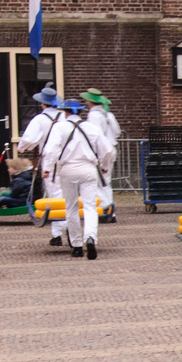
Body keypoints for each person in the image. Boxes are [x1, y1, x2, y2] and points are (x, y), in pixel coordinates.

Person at [43, 98, 116, 259]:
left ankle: (76, 245)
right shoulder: (91, 128)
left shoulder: (59, 127)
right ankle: (90, 237)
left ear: (65, 112)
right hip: (88, 169)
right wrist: (104, 165)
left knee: (71, 208)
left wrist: (47, 168)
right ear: (81, 111)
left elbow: (50, 150)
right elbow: (108, 150)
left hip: (67, 169)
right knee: (89, 207)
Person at [20, 86, 69, 246]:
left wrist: (22, 148)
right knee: (67, 194)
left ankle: (60, 232)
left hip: (51, 162)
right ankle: (65, 229)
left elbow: (28, 140)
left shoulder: (40, 120)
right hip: (68, 160)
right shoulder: (64, 118)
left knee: (54, 195)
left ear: (42, 104)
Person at [78, 89, 121, 222]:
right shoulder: (108, 114)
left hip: (102, 151)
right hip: (111, 148)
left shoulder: (93, 116)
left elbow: (96, 135)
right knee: (106, 182)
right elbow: (117, 132)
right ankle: (110, 211)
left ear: (90, 102)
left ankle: (104, 210)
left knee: (98, 182)